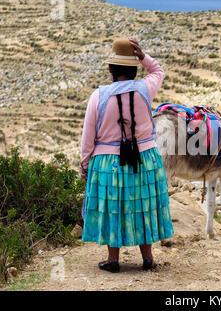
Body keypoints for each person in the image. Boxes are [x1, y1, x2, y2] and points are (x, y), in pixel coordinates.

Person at [80, 38, 173, 273]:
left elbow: (88, 135)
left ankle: (113, 260)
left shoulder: (98, 97)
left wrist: (84, 163)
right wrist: (143, 56)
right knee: (144, 204)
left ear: (110, 69)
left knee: (114, 207)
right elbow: (158, 70)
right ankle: (148, 258)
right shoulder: (146, 88)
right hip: (145, 157)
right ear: (134, 68)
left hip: (107, 161)